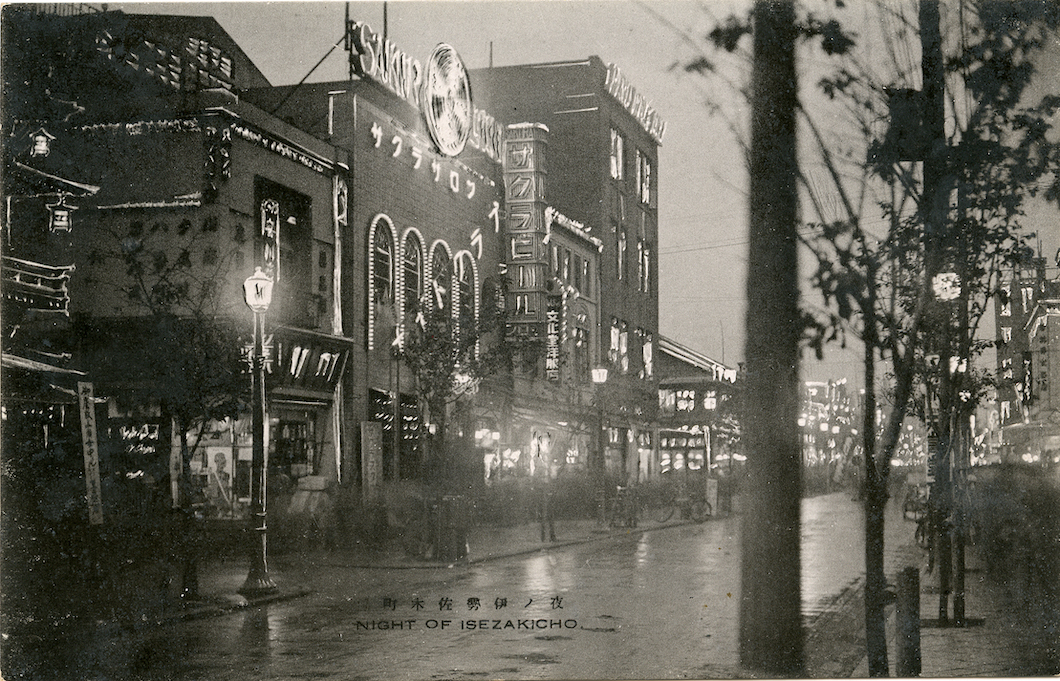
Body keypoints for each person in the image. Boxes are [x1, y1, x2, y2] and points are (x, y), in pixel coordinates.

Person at [532, 445, 556, 542]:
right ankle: (550, 535)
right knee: (548, 515)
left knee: (545, 515)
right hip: (545, 492)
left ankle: (546, 536)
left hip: (543, 493)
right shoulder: (545, 468)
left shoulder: (540, 469)